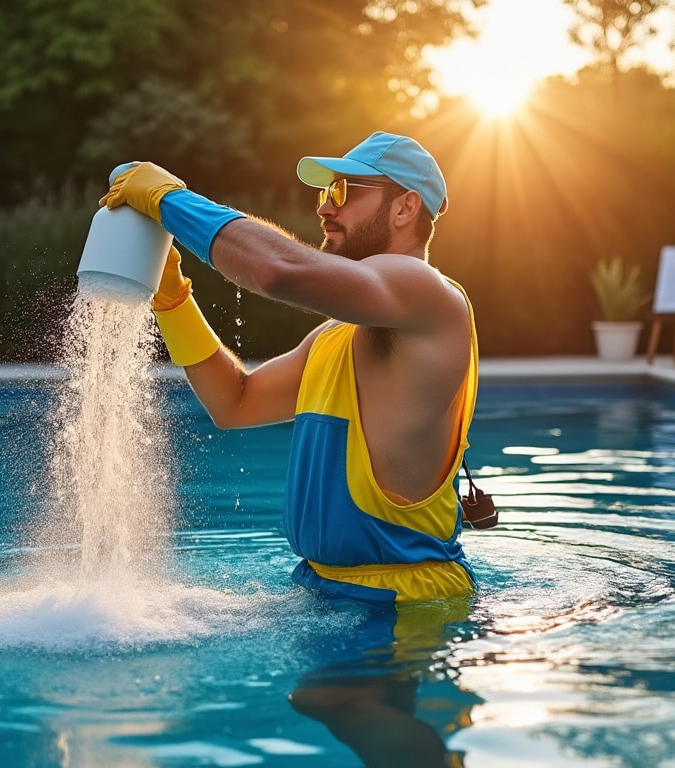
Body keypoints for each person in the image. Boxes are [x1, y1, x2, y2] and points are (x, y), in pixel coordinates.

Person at [104, 131, 478, 768]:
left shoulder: (427, 294)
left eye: (342, 191)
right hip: (330, 588)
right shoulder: (337, 334)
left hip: (402, 602)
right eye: (324, 193)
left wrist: (170, 200)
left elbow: (279, 269)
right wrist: (173, 301)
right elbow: (237, 402)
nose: (325, 207)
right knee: (322, 700)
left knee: (334, 701)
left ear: (404, 208)